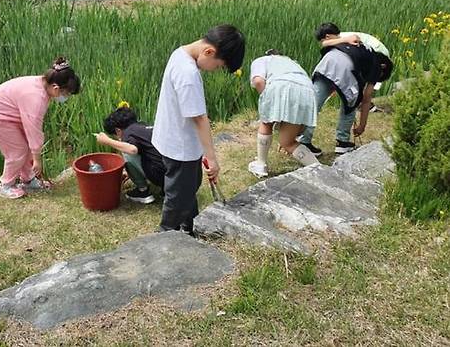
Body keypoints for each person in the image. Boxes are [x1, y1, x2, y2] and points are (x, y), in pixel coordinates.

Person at [152, 24, 245, 234]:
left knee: (188, 188)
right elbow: (200, 119)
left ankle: (189, 227)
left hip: (173, 137)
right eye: (219, 66)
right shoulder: (188, 74)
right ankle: (165, 236)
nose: (216, 70)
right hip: (180, 146)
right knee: (177, 196)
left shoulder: (180, 54)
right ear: (209, 52)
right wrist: (212, 158)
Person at [0, 57, 81, 198]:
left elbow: (31, 130)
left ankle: (28, 180)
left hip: (11, 114)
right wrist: (37, 159)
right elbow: (33, 129)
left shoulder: (43, 84)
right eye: (66, 94)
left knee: (26, 147)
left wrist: (34, 153)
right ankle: (6, 184)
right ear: (56, 88)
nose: (65, 98)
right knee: (17, 151)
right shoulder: (36, 99)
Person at [300, 23, 393, 155]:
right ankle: (342, 142)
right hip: (345, 66)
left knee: (314, 103)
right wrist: (362, 125)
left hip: (326, 63)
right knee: (351, 103)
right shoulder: (377, 64)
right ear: (384, 67)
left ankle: (303, 140)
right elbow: (366, 98)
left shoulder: (356, 46)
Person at [248, 50, 319, 178]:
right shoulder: (293, 63)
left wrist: (267, 101)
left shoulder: (261, 60)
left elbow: (258, 81)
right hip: (307, 91)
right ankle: (318, 169)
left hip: (280, 85)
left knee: (266, 122)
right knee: (288, 142)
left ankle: (260, 164)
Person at [95, 106, 166, 204]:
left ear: (118, 131)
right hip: (176, 172)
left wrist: (107, 141)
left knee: (126, 151)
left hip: (161, 175)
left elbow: (132, 150)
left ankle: (143, 191)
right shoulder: (143, 126)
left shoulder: (128, 133)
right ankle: (166, 190)